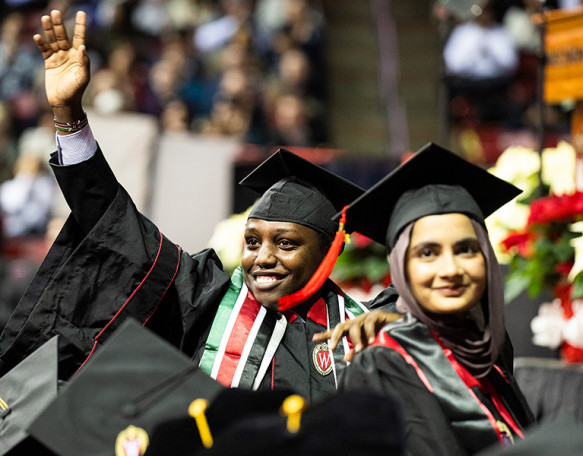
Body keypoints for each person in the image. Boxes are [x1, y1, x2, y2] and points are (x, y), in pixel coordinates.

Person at [0, 10, 370, 404]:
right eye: (252, 241)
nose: (262, 258)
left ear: (331, 250)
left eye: (286, 243)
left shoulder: (364, 332)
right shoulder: (205, 298)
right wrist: (69, 116)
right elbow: (118, 228)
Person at [332, 144, 535, 454]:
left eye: (466, 249)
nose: (450, 269)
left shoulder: (486, 345)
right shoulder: (383, 364)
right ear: (401, 267)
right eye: (427, 253)